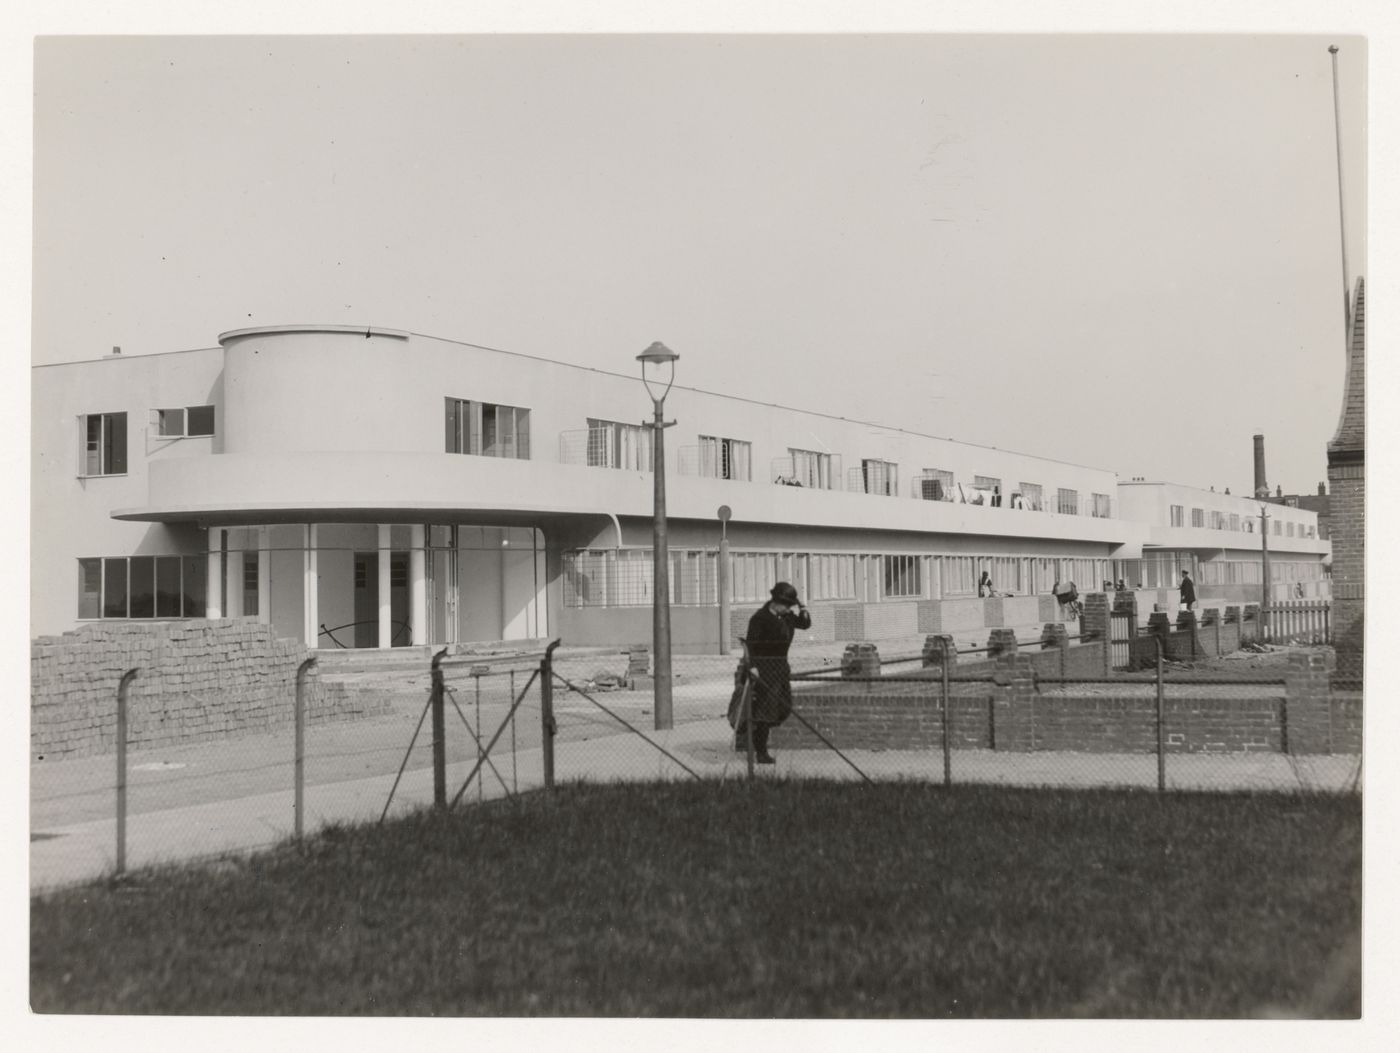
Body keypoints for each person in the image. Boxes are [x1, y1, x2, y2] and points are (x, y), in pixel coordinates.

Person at [735, 581, 812, 765]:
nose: (789, 608)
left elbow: (805, 623)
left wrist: (802, 606)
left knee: (784, 707)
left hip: (781, 668)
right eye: (786, 605)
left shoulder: (787, 617)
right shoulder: (759, 619)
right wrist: (752, 667)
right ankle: (761, 752)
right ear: (775, 602)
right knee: (765, 711)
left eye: (790, 605)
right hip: (763, 669)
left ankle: (755, 737)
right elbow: (751, 645)